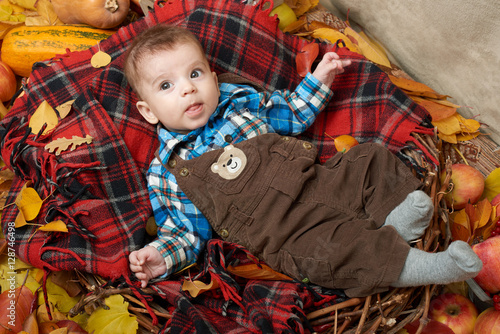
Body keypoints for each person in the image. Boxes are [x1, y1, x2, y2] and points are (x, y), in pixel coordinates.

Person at [123, 24, 482, 297]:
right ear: (147, 110)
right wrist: (161, 256)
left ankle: (397, 219)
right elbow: (186, 231)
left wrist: (319, 80)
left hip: (317, 179)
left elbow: (293, 113)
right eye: (166, 86)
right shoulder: (170, 169)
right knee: (333, 252)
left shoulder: (242, 103)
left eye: (195, 74)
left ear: (214, 80)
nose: (187, 88)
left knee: (368, 159)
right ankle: (428, 266)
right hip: (286, 230)